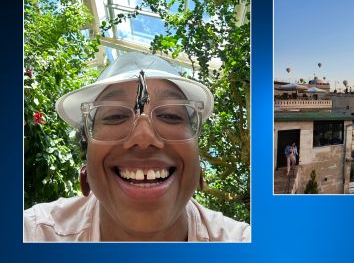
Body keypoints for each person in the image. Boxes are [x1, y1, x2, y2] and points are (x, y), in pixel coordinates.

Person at [24, 52, 250, 242]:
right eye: (115, 116)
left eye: (171, 116)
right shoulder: (34, 235)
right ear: (87, 150)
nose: (143, 137)